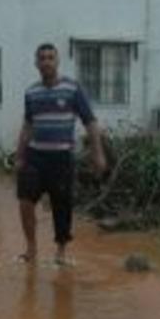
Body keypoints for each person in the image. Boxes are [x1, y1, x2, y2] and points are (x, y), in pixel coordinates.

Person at [15, 43, 106, 264]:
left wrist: (98, 154)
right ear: (36, 63)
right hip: (35, 156)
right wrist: (19, 156)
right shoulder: (31, 92)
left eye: (50, 57)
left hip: (62, 158)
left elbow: (90, 122)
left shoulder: (72, 89)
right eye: (42, 58)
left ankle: (61, 251)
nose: (46, 62)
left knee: (61, 206)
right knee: (25, 201)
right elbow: (27, 126)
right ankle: (31, 248)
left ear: (57, 61)